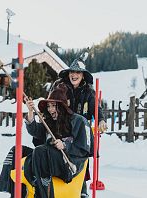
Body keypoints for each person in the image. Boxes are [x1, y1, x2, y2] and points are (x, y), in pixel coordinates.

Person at [0, 83, 94, 198]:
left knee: (40, 151)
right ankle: (14, 192)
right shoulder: (50, 122)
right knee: (17, 150)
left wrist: (65, 145)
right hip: (47, 157)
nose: (50, 109)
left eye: (53, 106)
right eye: (48, 106)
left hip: (69, 163)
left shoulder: (79, 121)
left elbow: (85, 148)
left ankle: (44, 193)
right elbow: (35, 131)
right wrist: (30, 112)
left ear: (62, 106)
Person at [50, 53, 107, 197]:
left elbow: (96, 107)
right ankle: (55, 186)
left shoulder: (88, 91)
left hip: (81, 130)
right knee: (60, 155)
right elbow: (52, 101)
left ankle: (81, 190)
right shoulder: (60, 86)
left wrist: (101, 119)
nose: (74, 75)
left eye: (77, 72)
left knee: (82, 157)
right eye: (72, 72)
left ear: (82, 76)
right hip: (63, 127)